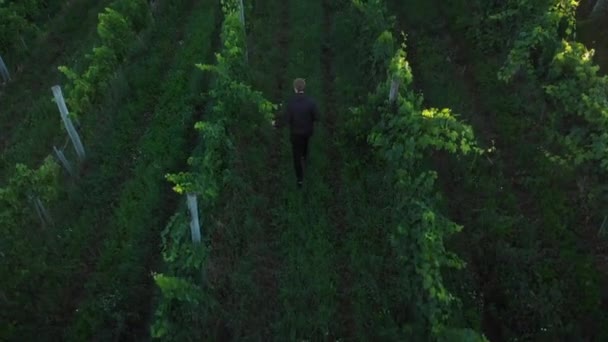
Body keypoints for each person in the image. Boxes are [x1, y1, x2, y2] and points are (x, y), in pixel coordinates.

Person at [280, 78, 319, 188]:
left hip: (295, 133)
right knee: (305, 147)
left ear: (294, 88)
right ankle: (305, 160)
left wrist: (276, 124)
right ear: (304, 87)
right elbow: (317, 117)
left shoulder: (291, 103)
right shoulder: (311, 102)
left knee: (296, 155)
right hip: (307, 132)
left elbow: (286, 120)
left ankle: (299, 179)